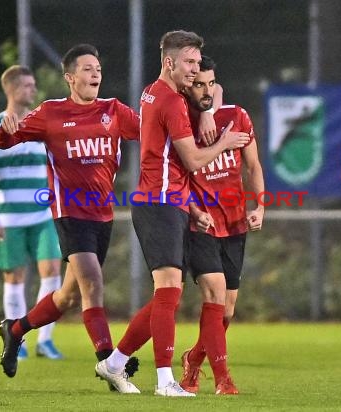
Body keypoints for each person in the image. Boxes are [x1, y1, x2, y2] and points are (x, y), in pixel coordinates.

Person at [94, 30, 250, 396]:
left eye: (198, 63)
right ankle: (165, 380)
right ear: (170, 63)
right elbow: (193, 159)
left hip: (171, 203)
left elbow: (212, 96)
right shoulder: (171, 102)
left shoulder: (153, 91)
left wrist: (191, 206)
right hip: (158, 204)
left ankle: (114, 363)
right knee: (168, 293)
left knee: (169, 294)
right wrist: (226, 141)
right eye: (190, 63)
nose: (195, 71)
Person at [0, 44, 141, 387]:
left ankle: (14, 330)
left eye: (98, 70)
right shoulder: (51, 113)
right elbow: (5, 141)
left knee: (68, 296)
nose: (95, 75)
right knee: (92, 282)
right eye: (88, 69)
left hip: (102, 215)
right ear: (70, 78)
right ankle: (109, 362)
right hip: (69, 211)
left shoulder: (114, 111)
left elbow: (153, 134)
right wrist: (6, 128)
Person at [179, 55, 264, 395]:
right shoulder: (181, 122)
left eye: (211, 83)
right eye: (199, 83)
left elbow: (254, 165)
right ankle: (223, 379)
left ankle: (192, 360)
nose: (207, 90)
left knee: (226, 311)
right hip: (200, 223)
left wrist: (260, 206)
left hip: (235, 222)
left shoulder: (237, 116)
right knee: (214, 294)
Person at [0, 65, 64, 362]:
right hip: (9, 218)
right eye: (27, 85)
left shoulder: (39, 126)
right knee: (15, 276)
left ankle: (45, 340)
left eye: (33, 84)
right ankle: (17, 339)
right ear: (11, 89)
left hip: (42, 216)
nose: (33, 90)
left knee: (52, 271)